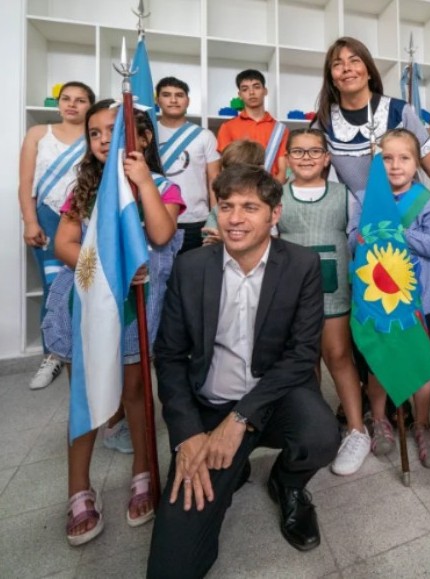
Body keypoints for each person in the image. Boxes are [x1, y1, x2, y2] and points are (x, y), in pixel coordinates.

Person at [147, 165, 339, 577]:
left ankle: (287, 483)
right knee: (172, 567)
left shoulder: (301, 265)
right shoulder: (192, 267)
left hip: (272, 398)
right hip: (210, 407)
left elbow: (303, 354)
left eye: (250, 207)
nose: (235, 218)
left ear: (275, 213)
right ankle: (233, 467)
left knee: (322, 436)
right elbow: (169, 356)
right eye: (226, 206)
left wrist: (241, 418)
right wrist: (187, 435)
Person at [41, 99, 184, 546]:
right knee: (84, 395)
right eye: (95, 133)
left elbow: (160, 235)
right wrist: (103, 262)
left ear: (141, 137)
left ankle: (143, 471)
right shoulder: (82, 188)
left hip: (137, 310)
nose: (105, 140)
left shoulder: (160, 183)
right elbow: (64, 242)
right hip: (86, 305)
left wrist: (142, 181)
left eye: (114, 130)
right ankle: (79, 490)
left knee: (138, 392)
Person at [347, 129, 430, 468]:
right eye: (386, 158)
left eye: (404, 157)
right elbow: (351, 241)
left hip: (419, 298)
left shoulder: (427, 200)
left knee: (418, 362)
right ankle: (380, 420)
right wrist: (366, 234)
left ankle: (422, 424)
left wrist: (397, 231)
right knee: (378, 362)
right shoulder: (362, 198)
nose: (395, 165)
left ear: (416, 162)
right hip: (378, 298)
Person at [277, 128, 369, 476]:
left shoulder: (344, 195)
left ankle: (357, 429)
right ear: (287, 157)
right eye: (298, 152)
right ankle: (315, 427)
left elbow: (361, 238)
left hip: (334, 289)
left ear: (327, 158)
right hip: (291, 290)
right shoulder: (277, 195)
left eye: (314, 151)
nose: (306, 158)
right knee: (305, 361)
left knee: (338, 355)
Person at [18, 81, 95, 390]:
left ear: (91, 105)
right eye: (66, 99)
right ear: (58, 102)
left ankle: (85, 352)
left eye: (80, 100)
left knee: (86, 284)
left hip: (84, 217)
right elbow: (25, 183)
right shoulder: (39, 134)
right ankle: (53, 355)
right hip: (48, 219)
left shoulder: (95, 137)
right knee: (55, 287)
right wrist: (29, 221)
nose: (72, 104)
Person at [313, 36, 430, 195]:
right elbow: (315, 179)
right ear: (332, 79)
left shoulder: (399, 112)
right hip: (361, 215)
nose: (346, 68)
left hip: (409, 212)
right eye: (337, 64)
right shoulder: (324, 121)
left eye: (354, 61)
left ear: (369, 72)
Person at [156, 76, 221, 253]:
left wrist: (215, 218)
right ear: (157, 100)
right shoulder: (147, 133)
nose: (173, 100)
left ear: (188, 100)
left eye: (179, 95)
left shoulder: (204, 135)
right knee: (157, 276)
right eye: (167, 95)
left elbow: (214, 179)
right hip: (155, 217)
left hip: (196, 220)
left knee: (193, 275)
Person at [216, 69, 288, 183]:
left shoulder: (281, 129)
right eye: (245, 89)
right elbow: (225, 167)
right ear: (240, 95)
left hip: (270, 189)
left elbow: (283, 170)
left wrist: (272, 189)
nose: (251, 92)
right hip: (238, 187)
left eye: (256, 87)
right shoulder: (227, 127)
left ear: (265, 91)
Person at [201, 140, 266, 246]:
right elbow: (207, 236)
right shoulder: (219, 207)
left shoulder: (266, 206)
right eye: (227, 170)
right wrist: (214, 237)